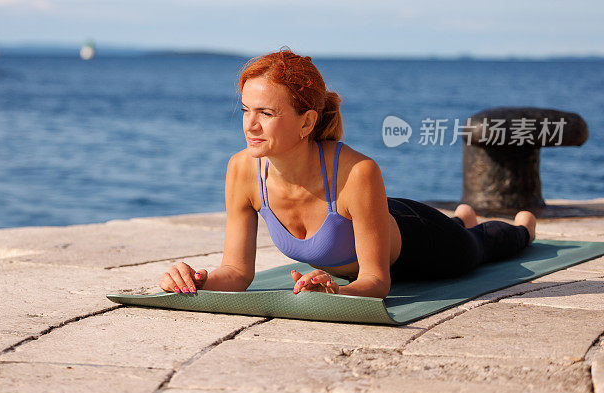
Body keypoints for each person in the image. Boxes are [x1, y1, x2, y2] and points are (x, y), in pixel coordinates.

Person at [159, 48, 536, 299]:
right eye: (245, 110)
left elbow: (375, 281)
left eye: (266, 113)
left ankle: (521, 226)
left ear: (307, 121)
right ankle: (462, 216)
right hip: (374, 216)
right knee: (460, 222)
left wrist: (336, 294)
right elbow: (237, 273)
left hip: (422, 242)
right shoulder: (242, 170)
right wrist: (197, 280)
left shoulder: (358, 172)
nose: (251, 125)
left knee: (479, 246)